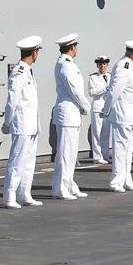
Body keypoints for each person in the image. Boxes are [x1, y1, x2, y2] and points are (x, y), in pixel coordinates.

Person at [2, 36, 43, 209]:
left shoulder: (28, 71)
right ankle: (9, 196)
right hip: (22, 124)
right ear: (34, 53)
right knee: (17, 161)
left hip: (31, 125)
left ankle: (24, 193)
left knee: (28, 162)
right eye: (38, 51)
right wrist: (7, 122)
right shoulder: (18, 72)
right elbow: (12, 100)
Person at [51, 33, 90, 200]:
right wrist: (86, 106)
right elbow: (74, 90)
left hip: (72, 114)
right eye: (76, 46)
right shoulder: (65, 65)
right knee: (65, 153)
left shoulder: (68, 63)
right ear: (72, 47)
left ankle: (69, 184)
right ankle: (60, 188)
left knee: (71, 153)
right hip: (67, 113)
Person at [104, 40, 133, 192]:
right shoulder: (124, 66)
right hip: (122, 115)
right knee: (120, 150)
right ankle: (116, 182)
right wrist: (106, 110)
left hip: (131, 116)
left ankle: (127, 179)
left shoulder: (130, 67)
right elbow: (114, 90)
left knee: (128, 150)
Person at [88, 56, 111, 164]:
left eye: (104, 64)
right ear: (97, 65)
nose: (102, 66)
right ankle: (97, 156)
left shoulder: (111, 76)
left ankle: (105, 155)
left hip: (107, 107)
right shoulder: (93, 77)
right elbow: (91, 92)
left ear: (107, 65)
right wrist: (104, 89)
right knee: (97, 133)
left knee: (106, 133)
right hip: (98, 107)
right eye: (100, 64)